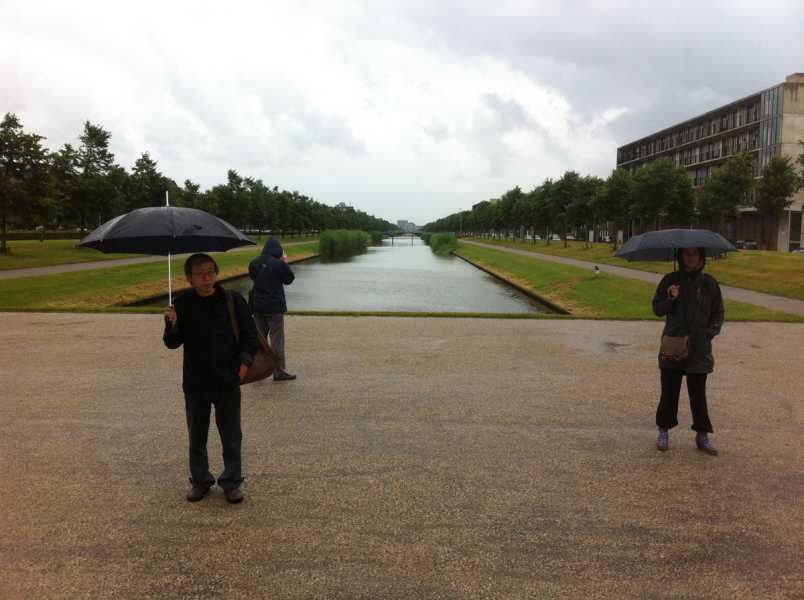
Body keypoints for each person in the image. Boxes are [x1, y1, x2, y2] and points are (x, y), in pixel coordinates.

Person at [163, 253, 258, 503]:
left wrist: (245, 365)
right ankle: (200, 480)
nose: (207, 278)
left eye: (210, 272)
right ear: (189, 278)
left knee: (231, 435)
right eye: (200, 274)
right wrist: (171, 324)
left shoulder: (232, 300)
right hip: (196, 381)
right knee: (197, 436)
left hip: (227, 378)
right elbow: (172, 344)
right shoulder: (181, 305)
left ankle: (232, 481)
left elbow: (250, 336)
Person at [652, 247, 724, 455]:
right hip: (673, 344)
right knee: (669, 393)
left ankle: (702, 435)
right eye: (686, 254)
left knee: (698, 395)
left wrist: (709, 333)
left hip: (699, 348)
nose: (690, 258)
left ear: (701, 257)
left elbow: (718, 311)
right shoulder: (670, 280)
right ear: (680, 256)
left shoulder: (709, 283)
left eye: (695, 254)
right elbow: (657, 309)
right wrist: (672, 297)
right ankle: (663, 431)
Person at [249, 237, 296, 381]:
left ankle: (256, 369)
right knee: (277, 340)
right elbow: (289, 279)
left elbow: (253, 277)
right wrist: (285, 263)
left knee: (259, 340)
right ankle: (279, 371)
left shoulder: (254, 263)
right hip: (274, 307)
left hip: (257, 306)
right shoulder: (278, 264)